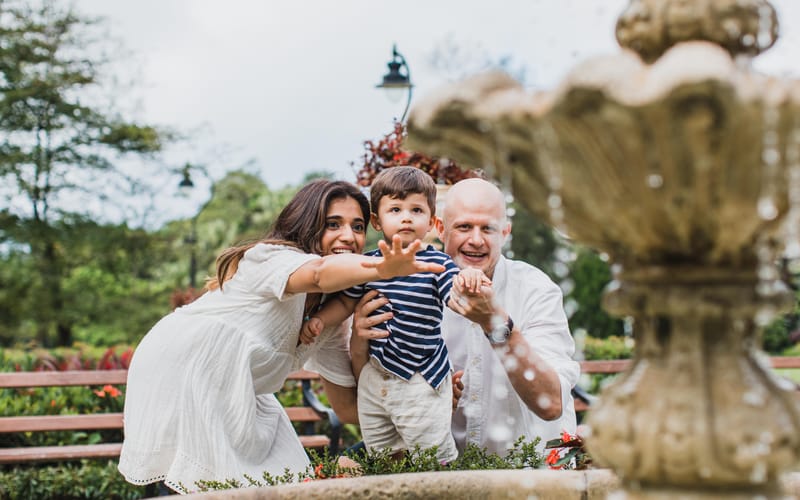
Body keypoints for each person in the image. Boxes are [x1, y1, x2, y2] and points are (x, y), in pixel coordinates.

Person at [118, 179, 446, 494]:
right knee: (198, 480)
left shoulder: (330, 318)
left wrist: (423, 400)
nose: (348, 236)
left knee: (290, 474)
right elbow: (318, 274)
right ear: (307, 224)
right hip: (184, 367)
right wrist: (379, 269)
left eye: (358, 227)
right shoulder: (269, 258)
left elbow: (347, 410)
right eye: (333, 224)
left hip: (241, 387)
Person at [349, 178, 580, 456]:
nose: (476, 240)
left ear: (505, 233)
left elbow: (551, 404)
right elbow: (377, 396)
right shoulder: (403, 290)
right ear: (441, 229)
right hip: (447, 475)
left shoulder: (536, 289)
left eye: (488, 228)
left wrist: (495, 323)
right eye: (464, 227)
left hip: (529, 473)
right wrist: (360, 341)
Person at [300, 167, 486, 463]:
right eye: (396, 209)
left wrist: (470, 281)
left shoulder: (436, 264)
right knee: (383, 452)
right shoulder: (367, 264)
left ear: (432, 222)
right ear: (377, 220)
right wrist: (321, 319)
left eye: (416, 210)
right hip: (378, 372)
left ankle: (442, 485)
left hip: (420, 372)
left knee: (431, 454)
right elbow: (347, 303)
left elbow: (455, 293)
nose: (407, 217)